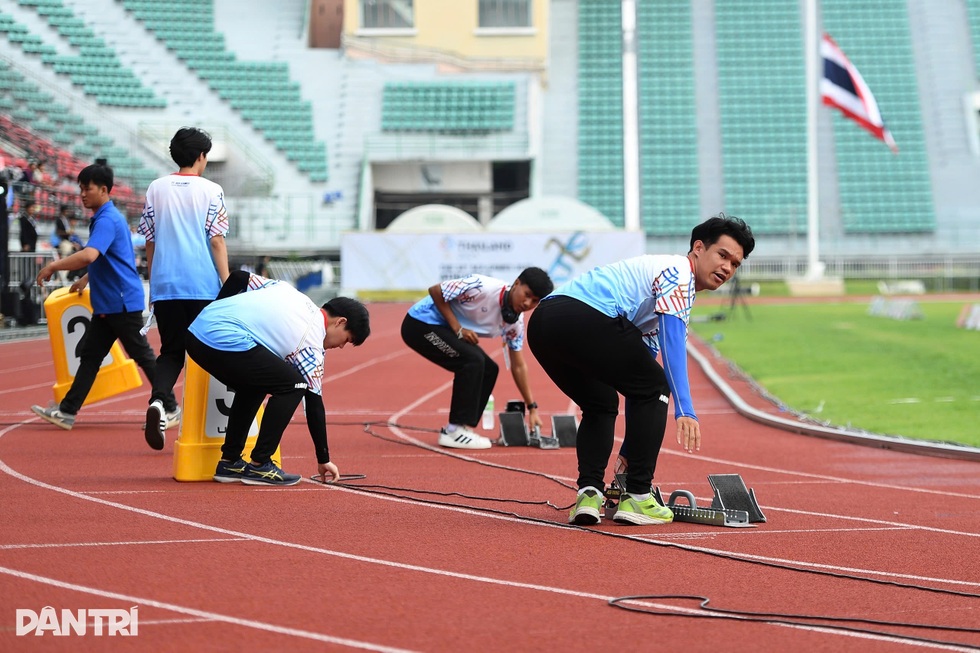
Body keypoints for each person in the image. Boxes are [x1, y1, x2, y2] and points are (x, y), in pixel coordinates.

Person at [526, 214, 755, 526]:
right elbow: (672, 348)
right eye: (722, 255)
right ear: (698, 248)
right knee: (656, 387)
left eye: (735, 264)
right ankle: (637, 497)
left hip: (543, 324)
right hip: (583, 315)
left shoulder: (660, 289)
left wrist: (630, 451)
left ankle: (589, 494)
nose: (727, 268)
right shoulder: (678, 273)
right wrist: (685, 409)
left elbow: (638, 380)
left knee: (601, 403)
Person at [30, 164, 178, 437]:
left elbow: (89, 254)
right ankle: (67, 410)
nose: (83, 194)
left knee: (141, 355)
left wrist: (53, 267)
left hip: (120, 302)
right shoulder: (105, 217)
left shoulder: (107, 219)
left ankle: (170, 406)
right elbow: (108, 258)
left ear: (104, 190)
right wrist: (86, 279)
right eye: (81, 189)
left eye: (88, 189)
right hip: (109, 304)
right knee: (90, 357)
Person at [185, 271, 371, 486]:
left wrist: (214, 312)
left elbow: (239, 277)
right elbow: (314, 404)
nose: (340, 346)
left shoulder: (290, 292)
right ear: (340, 322)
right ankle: (260, 465)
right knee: (295, 385)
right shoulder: (311, 342)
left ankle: (230, 462)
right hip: (223, 340)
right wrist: (324, 459)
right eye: (346, 340)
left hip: (196, 332)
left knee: (256, 383)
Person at [138, 127, 230, 449]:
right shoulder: (211, 190)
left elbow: (149, 240)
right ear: (201, 157)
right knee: (215, 352)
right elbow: (216, 240)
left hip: (166, 285)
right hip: (203, 286)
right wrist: (227, 282)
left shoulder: (156, 188)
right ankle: (218, 427)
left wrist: (154, 281)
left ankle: (160, 402)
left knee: (171, 352)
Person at [401, 267, 554, 449]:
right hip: (419, 324)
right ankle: (454, 430)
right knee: (473, 361)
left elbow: (518, 365)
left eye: (534, 301)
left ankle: (463, 428)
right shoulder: (482, 287)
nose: (527, 303)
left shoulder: (514, 325)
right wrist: (458, 328)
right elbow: (436, 290)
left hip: (444, 330)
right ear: (517, 284)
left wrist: (532, 408)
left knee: (490, 369)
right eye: (527, 294)